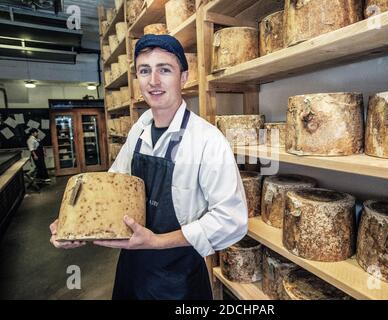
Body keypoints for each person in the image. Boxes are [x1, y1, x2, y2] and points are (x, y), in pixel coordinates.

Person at [49, 34, 248, 300]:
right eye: (145, 71)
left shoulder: (207, 140)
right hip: (132, 269)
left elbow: (231, 220)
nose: (153, 81)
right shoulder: (139, 129)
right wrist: (73, 224)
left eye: (164, 70)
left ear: (184, 77)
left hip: (180, 279)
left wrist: (156, 242)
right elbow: (112, 187)